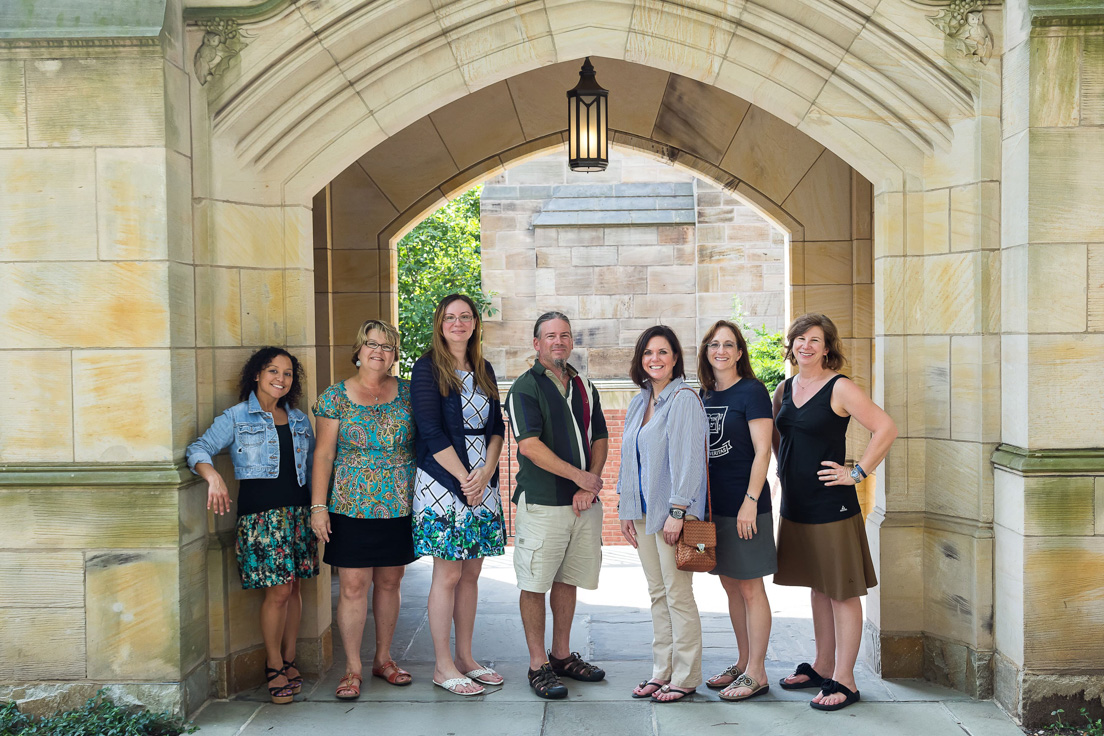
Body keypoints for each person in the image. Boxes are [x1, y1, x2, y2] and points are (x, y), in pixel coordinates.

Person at [772, 313, 897, 712]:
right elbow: (780, 439)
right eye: (799, 339)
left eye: (814, 340)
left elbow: (885, 427)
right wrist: (786, 472)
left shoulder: (840, 387)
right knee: (818, 585)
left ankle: (846, 679)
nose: (805, 345)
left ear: (827, 348)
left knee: (841, 591)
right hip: (796, 503)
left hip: (832, 505)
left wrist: (857, 472)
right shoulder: (785, 388)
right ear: (791, 345)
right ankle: (823, 666)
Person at [186, 347, 318, 705]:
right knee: (277, 592)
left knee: (294, 589)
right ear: (257, 375)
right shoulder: (236, 417)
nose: (281, 378)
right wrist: (212, 475)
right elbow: (198, 448)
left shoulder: (299, 419)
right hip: (262, 518)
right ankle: (273, 665)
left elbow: (316, 464)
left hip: (299, 515)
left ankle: (289, 659)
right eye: (273, 371)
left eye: (288, 373)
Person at [309, 320, 416, 700]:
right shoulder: (334, 397)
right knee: (353, 587)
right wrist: (318, 507)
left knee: (390, 583)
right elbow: (323, 454)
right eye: (371, 344)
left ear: (394, 355)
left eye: (387, 347)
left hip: (398, 505)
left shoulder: (408, 393)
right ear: (358, 350)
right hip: (349, 507)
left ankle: (383, 659)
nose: (378, 351)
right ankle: (353, 668)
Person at [505, 311, 609, 700]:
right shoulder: (524, 389)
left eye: (565, 335)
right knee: (535, 584)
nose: (559, 342)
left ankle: (562, 655)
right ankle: (538, 665)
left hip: (583, 504)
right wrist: (577, 478)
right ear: (537, 344)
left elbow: (600, 436)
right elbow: (529, 446)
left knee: (567, 580)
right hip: (544, 505)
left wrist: (591, 481)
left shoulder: (584, 386)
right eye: (550, 336)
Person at [411, 294, 507, 697]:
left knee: (471, 573)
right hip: (441, 481)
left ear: (474, 324)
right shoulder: (426, 368)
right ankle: (442, 664)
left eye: (465, 317)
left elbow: (497, 425)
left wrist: (485, 472)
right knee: (448, 573)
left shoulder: (483, 367)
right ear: (440, 323)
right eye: (450, 317)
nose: (458, 323)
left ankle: (466, 658)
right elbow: (430, 431)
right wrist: (466, 478)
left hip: (482, 480)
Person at [618, 325, 709, 703]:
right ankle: (662, 671)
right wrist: (624, 505)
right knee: (657, 594)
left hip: (673, 513)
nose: (655, 359)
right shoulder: (640, 401)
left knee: (678, 595)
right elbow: (630, 458)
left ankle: (686, 676)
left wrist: (678, 510)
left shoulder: (684, 399)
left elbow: (689, 460)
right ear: (641, 360)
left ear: (675, 359)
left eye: (663, 352)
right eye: (648, 353)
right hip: (641, 511)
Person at [697, 320, 777, 702]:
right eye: (715, 344)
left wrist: (751, 500)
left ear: (740, 353)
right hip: (716, 508)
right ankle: (743, 663)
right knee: (729, 584)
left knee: (750, 586)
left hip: (747, 506)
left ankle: (758, 673)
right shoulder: (705, 394)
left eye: (729, 344)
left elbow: (763, 450)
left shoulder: (753, 392)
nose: (721, 351)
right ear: (706, 351)